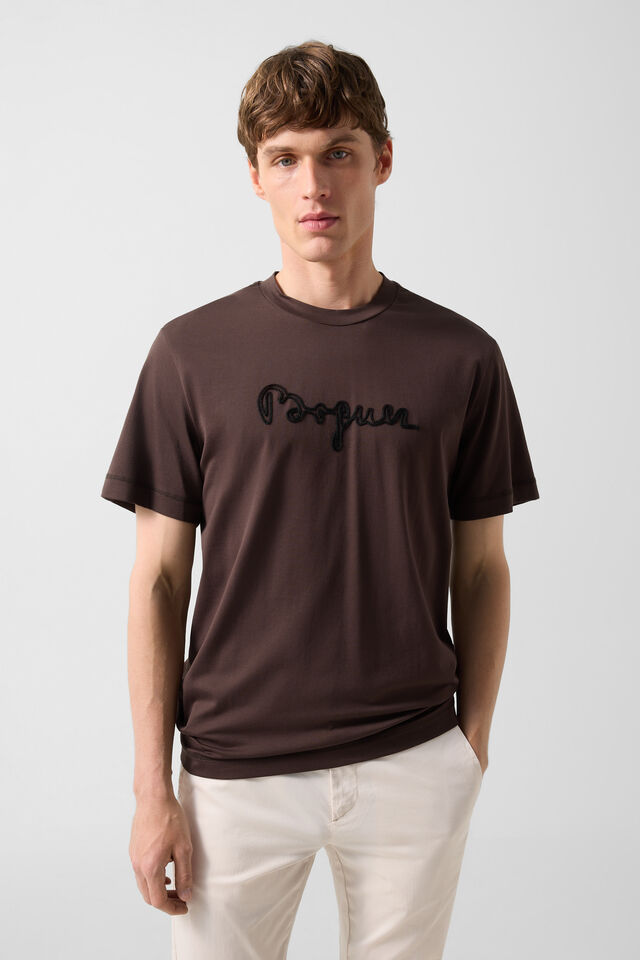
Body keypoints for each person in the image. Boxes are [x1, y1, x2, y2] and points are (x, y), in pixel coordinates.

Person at [100, 38, 540, 960]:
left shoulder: (462, 357)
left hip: (412, 760)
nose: (314, 186)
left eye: (339, 151)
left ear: (383, 160)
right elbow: (158, 580)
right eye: (286, 158)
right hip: (234, 772)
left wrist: (470, 745)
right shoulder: (190, 354)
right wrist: (152, 789)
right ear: (255, 176)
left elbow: (482, 567)